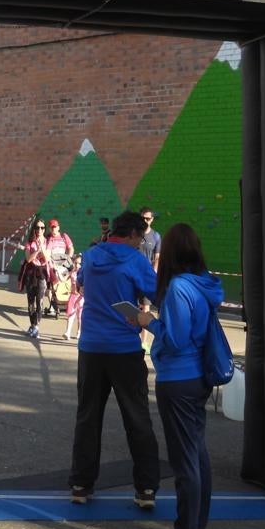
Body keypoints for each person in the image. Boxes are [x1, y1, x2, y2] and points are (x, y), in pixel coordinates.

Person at [136, 223, 224, 529]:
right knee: (197, 456)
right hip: (199, 376)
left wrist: (148, 322)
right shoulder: (205, 285)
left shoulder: (177, 289)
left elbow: (174, 339)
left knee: (185, 461)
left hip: (178, 378)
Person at [68, 210, 160, 510]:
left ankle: (81, 484)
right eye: (140, 239)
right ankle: (146, 488)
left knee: (88, 416)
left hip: (92, 347)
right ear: (132, 234)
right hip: (123, 349)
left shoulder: (93, 255)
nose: (140, 244)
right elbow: (157, 294)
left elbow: (81, 284)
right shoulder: (135, 260)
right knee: (137, 418)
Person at [19, 220, 51, 338]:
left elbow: (47, 258)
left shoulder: (48, 242)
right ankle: (32, 325)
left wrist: (42, 248)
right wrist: (37, 250)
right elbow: (28, 259)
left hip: (42, 273)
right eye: (37, 228)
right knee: (31, 301)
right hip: (31, 272)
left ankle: (37, 326)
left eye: (42, 228)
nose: (40, 230)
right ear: (34, 229)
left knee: (40, 300)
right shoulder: (30, 243)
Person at [62, 253, 84, 341]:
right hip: (72, 296)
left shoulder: (83, 273)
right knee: (71, 315)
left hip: (81, 297)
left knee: (80, 316)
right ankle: (67, 332)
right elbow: (63, 278)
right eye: (75, 263)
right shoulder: (72, 272)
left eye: (79, 263)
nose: (77, 265)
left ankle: (79, 332)